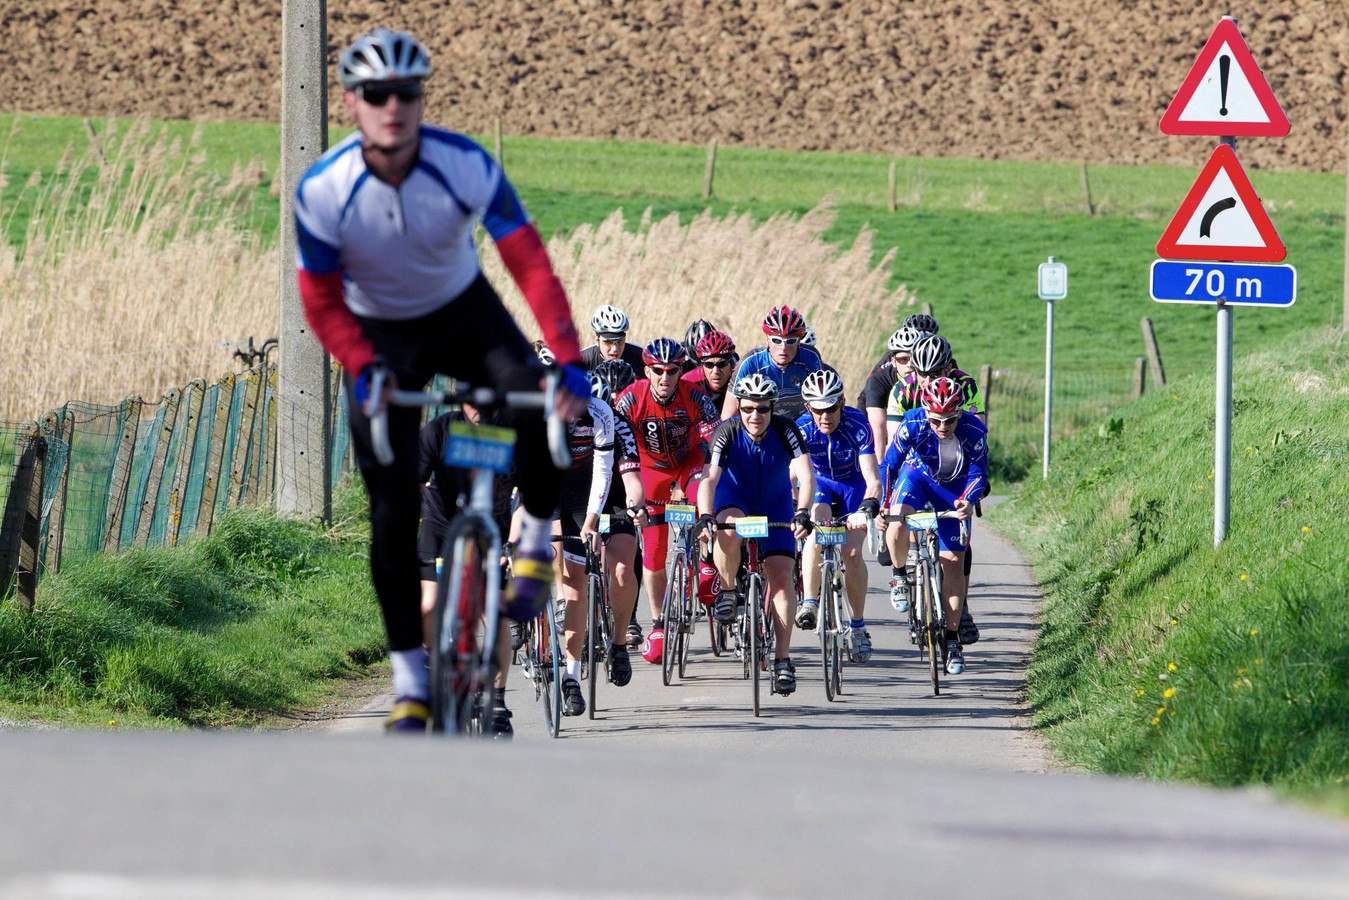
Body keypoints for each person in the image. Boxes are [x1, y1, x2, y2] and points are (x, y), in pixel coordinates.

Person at [293, 28, 591, 732]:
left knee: (539, 403)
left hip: (463, 316)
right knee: (390, 516)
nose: (392, 106)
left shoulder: (463, 164)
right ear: (351, 103)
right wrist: (361, 367)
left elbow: (530, 262)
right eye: (376, 94)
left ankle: (535, 540)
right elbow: (319, 299)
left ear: (422, 98)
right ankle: (409, 684)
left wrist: (568, 356)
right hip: (377, 338)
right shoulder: (324, 188)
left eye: (407, 92)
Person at [697, 374, 815, 695]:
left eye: (762, 409)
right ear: (740, 408)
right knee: (730, 526)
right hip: (734, 497)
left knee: (781, 578)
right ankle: (729, 591)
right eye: (747, 408)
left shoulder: (786, 430)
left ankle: (782, 660)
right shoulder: (727, 431)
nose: (754, 416)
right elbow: (708, 480)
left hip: (776, 503)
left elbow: (806, 474)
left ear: (772, 408)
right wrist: (706, 517)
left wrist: (803, 511)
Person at [615, 338, 720, 664]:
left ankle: (705, 558)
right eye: (658, 371)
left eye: (672, 371)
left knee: (705, 502)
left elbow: (716, 449)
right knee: (654, 546)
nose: (665, 377)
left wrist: (706, 508)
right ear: (647, 371)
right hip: (650, 469)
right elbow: (619, 450)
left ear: (680, 370)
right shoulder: (630, 398)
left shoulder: (697, 398)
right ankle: (658, 622)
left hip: (689, 462)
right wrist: (635, 501)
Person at [416, 403, 519, 737]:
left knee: (497, 613)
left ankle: (499, 703)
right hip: (441, 525)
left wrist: (514, 543)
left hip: (492, 528)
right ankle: (431, 665)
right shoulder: (440, 429)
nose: (480, 408)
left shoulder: (513, 431)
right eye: (472, 400)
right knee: (429, 604)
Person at [881, 377, 988, 676]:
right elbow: (890, 465)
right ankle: (900, 575)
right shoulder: (911, 424)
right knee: (898, 517)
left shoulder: (974, 431)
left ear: (960, 414)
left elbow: (979, 474)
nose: (943, 426)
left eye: (950, 419)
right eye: (936, 420)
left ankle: (952, 640)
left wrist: (968, 500)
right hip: (918, 478)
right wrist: (884, 504)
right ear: (926, 412)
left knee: (953, 562)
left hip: (953, 489)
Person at [538, 351, 617, 718]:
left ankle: (570, 678)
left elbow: (603, 472)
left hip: (581, 489)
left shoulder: (600, 413)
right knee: (549, 540)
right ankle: (541, 607)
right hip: (544, 485)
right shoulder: (539, 410)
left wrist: (592, 520)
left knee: (577, 585)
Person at [793, 370, 883, 663]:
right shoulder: (802, 429)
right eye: (817, 410)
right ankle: (809, 601)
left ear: (842, 402)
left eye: (831, 408)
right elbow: (791, 476)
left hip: (853, 486)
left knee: (853, 552)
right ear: (808, 407)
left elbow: (872, 477)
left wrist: (869, 504)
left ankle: (857, 626)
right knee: (817, 531)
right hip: (820, 485)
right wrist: (796, 509)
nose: (825, 416)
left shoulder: (858, 424)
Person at [589, 360, 650, 685]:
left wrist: (635, 506)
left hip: (614, 498)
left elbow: (632, 479)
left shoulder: (620, 425)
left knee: (624, 568)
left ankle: (619, 642)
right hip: (576, 498)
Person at [723, 306, 833, 422]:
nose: (783, 348)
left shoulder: (810, 358)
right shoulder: (749, 364)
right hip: (762, 427)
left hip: (801, 427)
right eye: (777, 340)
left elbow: (822, 405)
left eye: (790, 341)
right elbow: (728, 418)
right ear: (767, 339)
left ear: (799, 341)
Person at [681, 329, 737, 413]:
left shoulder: (740, 377)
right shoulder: (688, 382)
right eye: (709, 365)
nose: (715, 371)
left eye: (721, 364)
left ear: (730, 364)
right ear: (701, 365)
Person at [581, 305, 646, 372]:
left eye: (620, 341)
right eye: (608, 342)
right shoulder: (582, 360)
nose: (615, 349)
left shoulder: (640, 357)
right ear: (596, 340)